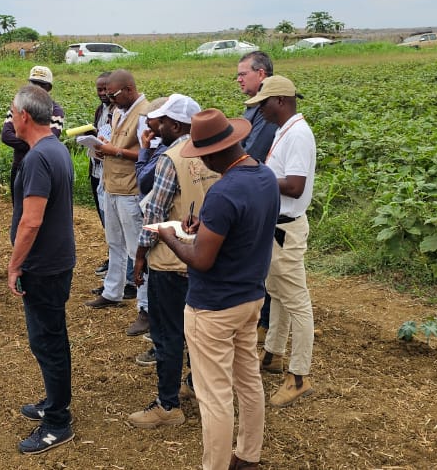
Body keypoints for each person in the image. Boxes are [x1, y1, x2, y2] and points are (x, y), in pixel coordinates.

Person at [154, 108, 278, 470]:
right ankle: (248, 455)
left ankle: (216, 465)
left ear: (211, 154)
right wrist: (204, 229)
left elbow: (202, 260)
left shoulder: (224, 191)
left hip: (213, 307)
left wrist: (170, 236)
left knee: (215, 396)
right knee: (248, 381)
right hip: (250, 297)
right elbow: (241, 231)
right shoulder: (265, 176)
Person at [127, 94, 216, 429]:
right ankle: (194, 384)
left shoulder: (171, 159)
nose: (157, 126)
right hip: (206, 257)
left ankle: (167, 406)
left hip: (171, 260)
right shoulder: (216, 153)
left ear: (176, 126)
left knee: (167, 334)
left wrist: (140, 254)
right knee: (199, 332)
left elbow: (155, 213)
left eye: (162, 121)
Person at [6, 84, 78, 455]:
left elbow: (31, 221)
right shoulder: (55, 148)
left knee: (47, 342)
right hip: (57, 260)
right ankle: (54, 402)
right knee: (51, 337)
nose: (9, 119)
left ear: (24, 116)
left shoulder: (37, 158)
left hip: (43, 265)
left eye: (11, 113)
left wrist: (14, 265)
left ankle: (57, 422)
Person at [245, 76, 317, 407]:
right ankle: (273, 353)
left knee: (296, 301)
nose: (259, 110)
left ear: (280, 101)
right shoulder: (284, 130)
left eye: (263, 103)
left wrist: (258, 178)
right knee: (278, 293)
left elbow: (296, 186)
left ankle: (299, 376)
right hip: (277, 228)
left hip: (285, 230)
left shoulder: (298, 134)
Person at [86, 70, 153, 337]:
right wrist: (103, 146)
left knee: (138, 251)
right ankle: (112, 291)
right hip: (112, 186)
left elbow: (149, 154)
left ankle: (146, 308)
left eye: (113, 94)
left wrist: (115, 151)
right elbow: (115, 143)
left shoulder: (145, 114)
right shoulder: (118, 111)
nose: (110, 100)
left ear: (128, 89)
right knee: (114, 243)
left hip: (130, 190)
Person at [236, 51, 278, 342]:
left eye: (243, 74)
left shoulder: (267, 109)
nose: (239, 79)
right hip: (251, 186)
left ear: (261, 74)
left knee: (262, 258)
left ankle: (265, 322)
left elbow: (253, 152)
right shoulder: (255, 106)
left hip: (256, 189)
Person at [1, 65, 64, 191]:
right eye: (33, 83)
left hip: (41, 166)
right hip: (19, 165)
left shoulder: (56, 111)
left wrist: (24, 140)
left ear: (49, 88)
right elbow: (6, 136)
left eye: (41, 85)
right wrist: (35, 143)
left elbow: (50, 141)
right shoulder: (17, 106)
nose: (36, 88)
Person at [88, 72, 114, 275]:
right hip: (96, 170)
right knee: (104, 218)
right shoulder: (100, 110)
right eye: (99, 89)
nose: (103, 93)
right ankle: (112, 256)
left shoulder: (119, 111)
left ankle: (117, 261)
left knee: (114, 221)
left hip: (111, 172)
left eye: (106, 89)